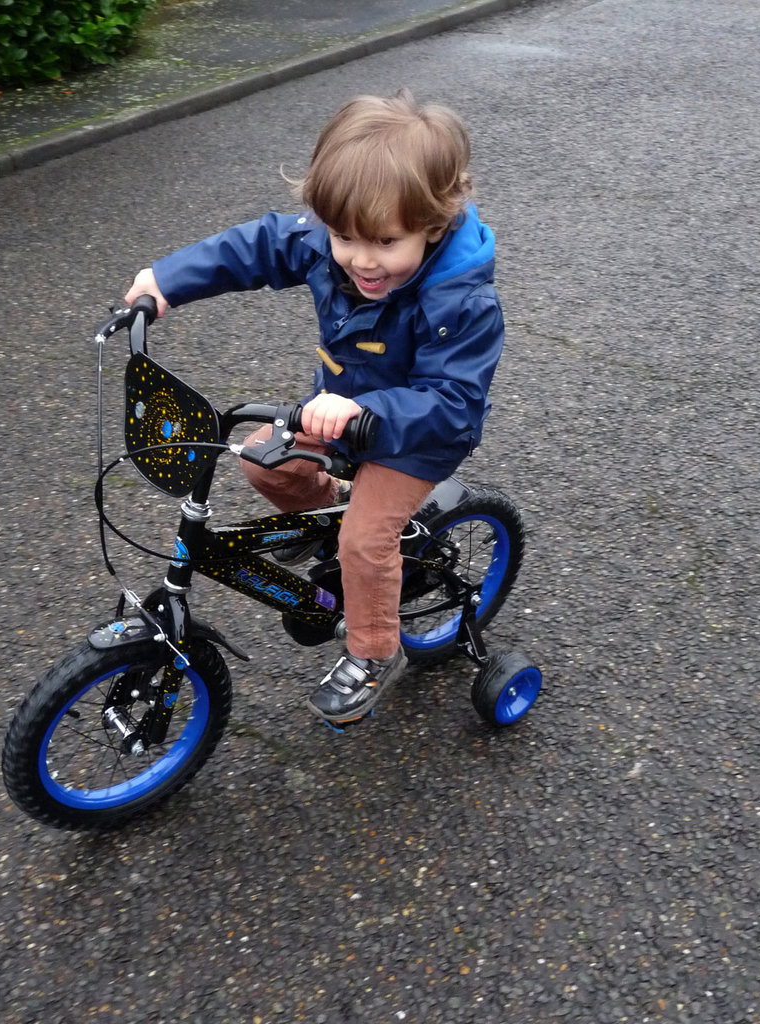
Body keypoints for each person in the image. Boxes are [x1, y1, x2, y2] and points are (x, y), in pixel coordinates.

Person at [124, 89, 505, 726]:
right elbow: (255, 247)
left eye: (385, 241)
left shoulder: (462, 304)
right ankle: (325, 520)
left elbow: (454, 403)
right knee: (261, 462)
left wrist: (361, 413)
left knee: (364, 538)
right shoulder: (333, 245)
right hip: (336, 408)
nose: (360, 259)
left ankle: (376, 651)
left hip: (419, 436)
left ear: (433, 227)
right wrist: (166, 281)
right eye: (344, 236)